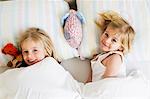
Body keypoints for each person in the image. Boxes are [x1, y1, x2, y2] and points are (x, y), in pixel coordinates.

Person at [87, 10, 135, 82]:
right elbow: (89, 81)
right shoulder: (98, 57)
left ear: (121, 47)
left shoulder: (115, 57)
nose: (106, 40)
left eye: (114, 40)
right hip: (96, 89)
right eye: (106, 34)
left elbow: (108, 83)